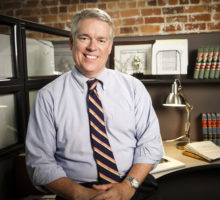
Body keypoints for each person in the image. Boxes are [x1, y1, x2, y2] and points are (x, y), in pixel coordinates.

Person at [25, 8, 164, 200]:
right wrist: (81, 195)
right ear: (71, 42)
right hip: (75, 191)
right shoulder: (48, 97)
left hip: (132, 184)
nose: (92, 47)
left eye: (101, 40)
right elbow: (39, 163)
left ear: (109, 46)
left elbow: (150, 145)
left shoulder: (134, 88)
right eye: (84, 38)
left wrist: (127, 187)